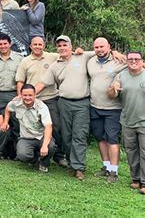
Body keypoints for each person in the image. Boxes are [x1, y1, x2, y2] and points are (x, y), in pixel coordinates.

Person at [88, 37, 145, 183]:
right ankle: (106, 167)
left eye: (102, 46)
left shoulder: (119, 61)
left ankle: (113, 172)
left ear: (109, 46)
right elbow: (75, 53)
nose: (99, 49)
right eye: (96, 47)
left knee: (112, 139)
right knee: (100, 138)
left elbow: (137, 63)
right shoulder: (90, 60)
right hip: (95, 106)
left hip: (113, 108)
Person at [35, 35, 97, 180]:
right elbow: (42, 83)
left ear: (71, 46)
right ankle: (71, 163)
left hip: (82, 103)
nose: (62, 48)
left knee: (79, 135)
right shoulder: (55, 66)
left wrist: (116, 53)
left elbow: (102, 52)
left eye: (65, 45)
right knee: (66, 135)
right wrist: (27, 95)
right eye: (60, 46)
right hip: (64, 103)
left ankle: (79, 167)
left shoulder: (82, 57)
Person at [108, 51, 145, 195]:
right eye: (130, 59)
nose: (133, 61)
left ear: (142, 61)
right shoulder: (121, 75)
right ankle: (136, 179)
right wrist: (113, 89)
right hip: (128, 122)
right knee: (131, 152)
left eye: (136, 59)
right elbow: (111, 95)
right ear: (126, 61)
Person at [15, 37, 68, 168]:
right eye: (35, 44)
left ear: (44, 45)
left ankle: (58, 156)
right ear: (30, 46)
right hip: (31, 100)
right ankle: (32, 155)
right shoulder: (25, 61)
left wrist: (113, 53)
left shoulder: (53, 57)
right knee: (27, 126)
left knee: (56, 127)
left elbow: (68, 54)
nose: (38, 46)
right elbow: (20, 81)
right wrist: (20, 97)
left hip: (50, 98)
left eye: (40, 44)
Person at [3, 84, 55, 172]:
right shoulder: (16, 103)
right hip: (26, 138)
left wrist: (45, 145)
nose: (27, 98)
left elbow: (48, 127)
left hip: (40, 137)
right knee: (22, 155)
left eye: (30, 95)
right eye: (25, 95)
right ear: (21, 95)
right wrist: (5, 122)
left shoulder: (42, 107)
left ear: (35, 95)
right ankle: (34, 159)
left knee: (50, 146)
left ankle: (43, 163)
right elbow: (8, 109)